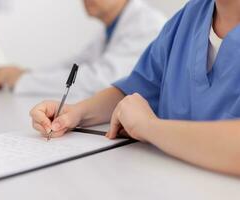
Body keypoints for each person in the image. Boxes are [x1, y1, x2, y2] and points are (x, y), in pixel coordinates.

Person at [30, 0, 240, 176]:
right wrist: (76, 112)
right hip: (166, 178)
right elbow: (140, 86)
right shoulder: (189, 17)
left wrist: (149, 127)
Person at [0, 0, 166, 99]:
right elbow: (76, 65)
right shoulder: (108, 29)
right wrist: (26, 73)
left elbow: (100, 80)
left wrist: (24, 80)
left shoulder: (146, 24)